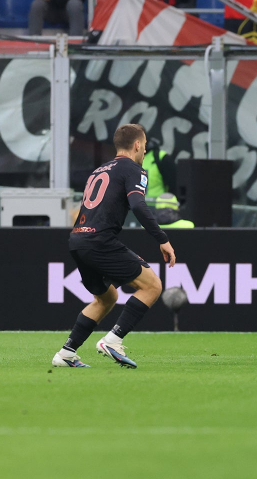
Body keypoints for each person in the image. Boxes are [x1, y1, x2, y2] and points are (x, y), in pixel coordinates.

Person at [52, 124, 176, 369]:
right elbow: (138, 205)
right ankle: (113, 340)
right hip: (100, 240)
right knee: (152, 285)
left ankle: (66, 353)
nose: (144, 151)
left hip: (78, 240)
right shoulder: (134, 169)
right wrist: (162, 239)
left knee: (106, 297)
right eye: (144, 146)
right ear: (137, 145)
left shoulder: (98, 170)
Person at [142, 138, 177, 208]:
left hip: (158, 208)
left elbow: (174, 185)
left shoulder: (161, 158)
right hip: (134, 209)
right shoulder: (127, 159)